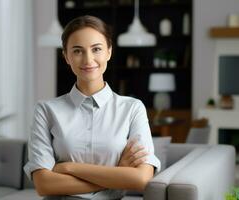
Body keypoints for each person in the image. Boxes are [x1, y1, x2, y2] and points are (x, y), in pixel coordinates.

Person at [24, 15, 160, 200]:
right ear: (66, 56)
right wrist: (118, 174)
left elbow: (141, 179)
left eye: (96, 49)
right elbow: (44, 185)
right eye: (78, 51)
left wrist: (68, 168)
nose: (88, 60)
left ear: (109, 52)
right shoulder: (46, 110)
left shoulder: (132, 109)